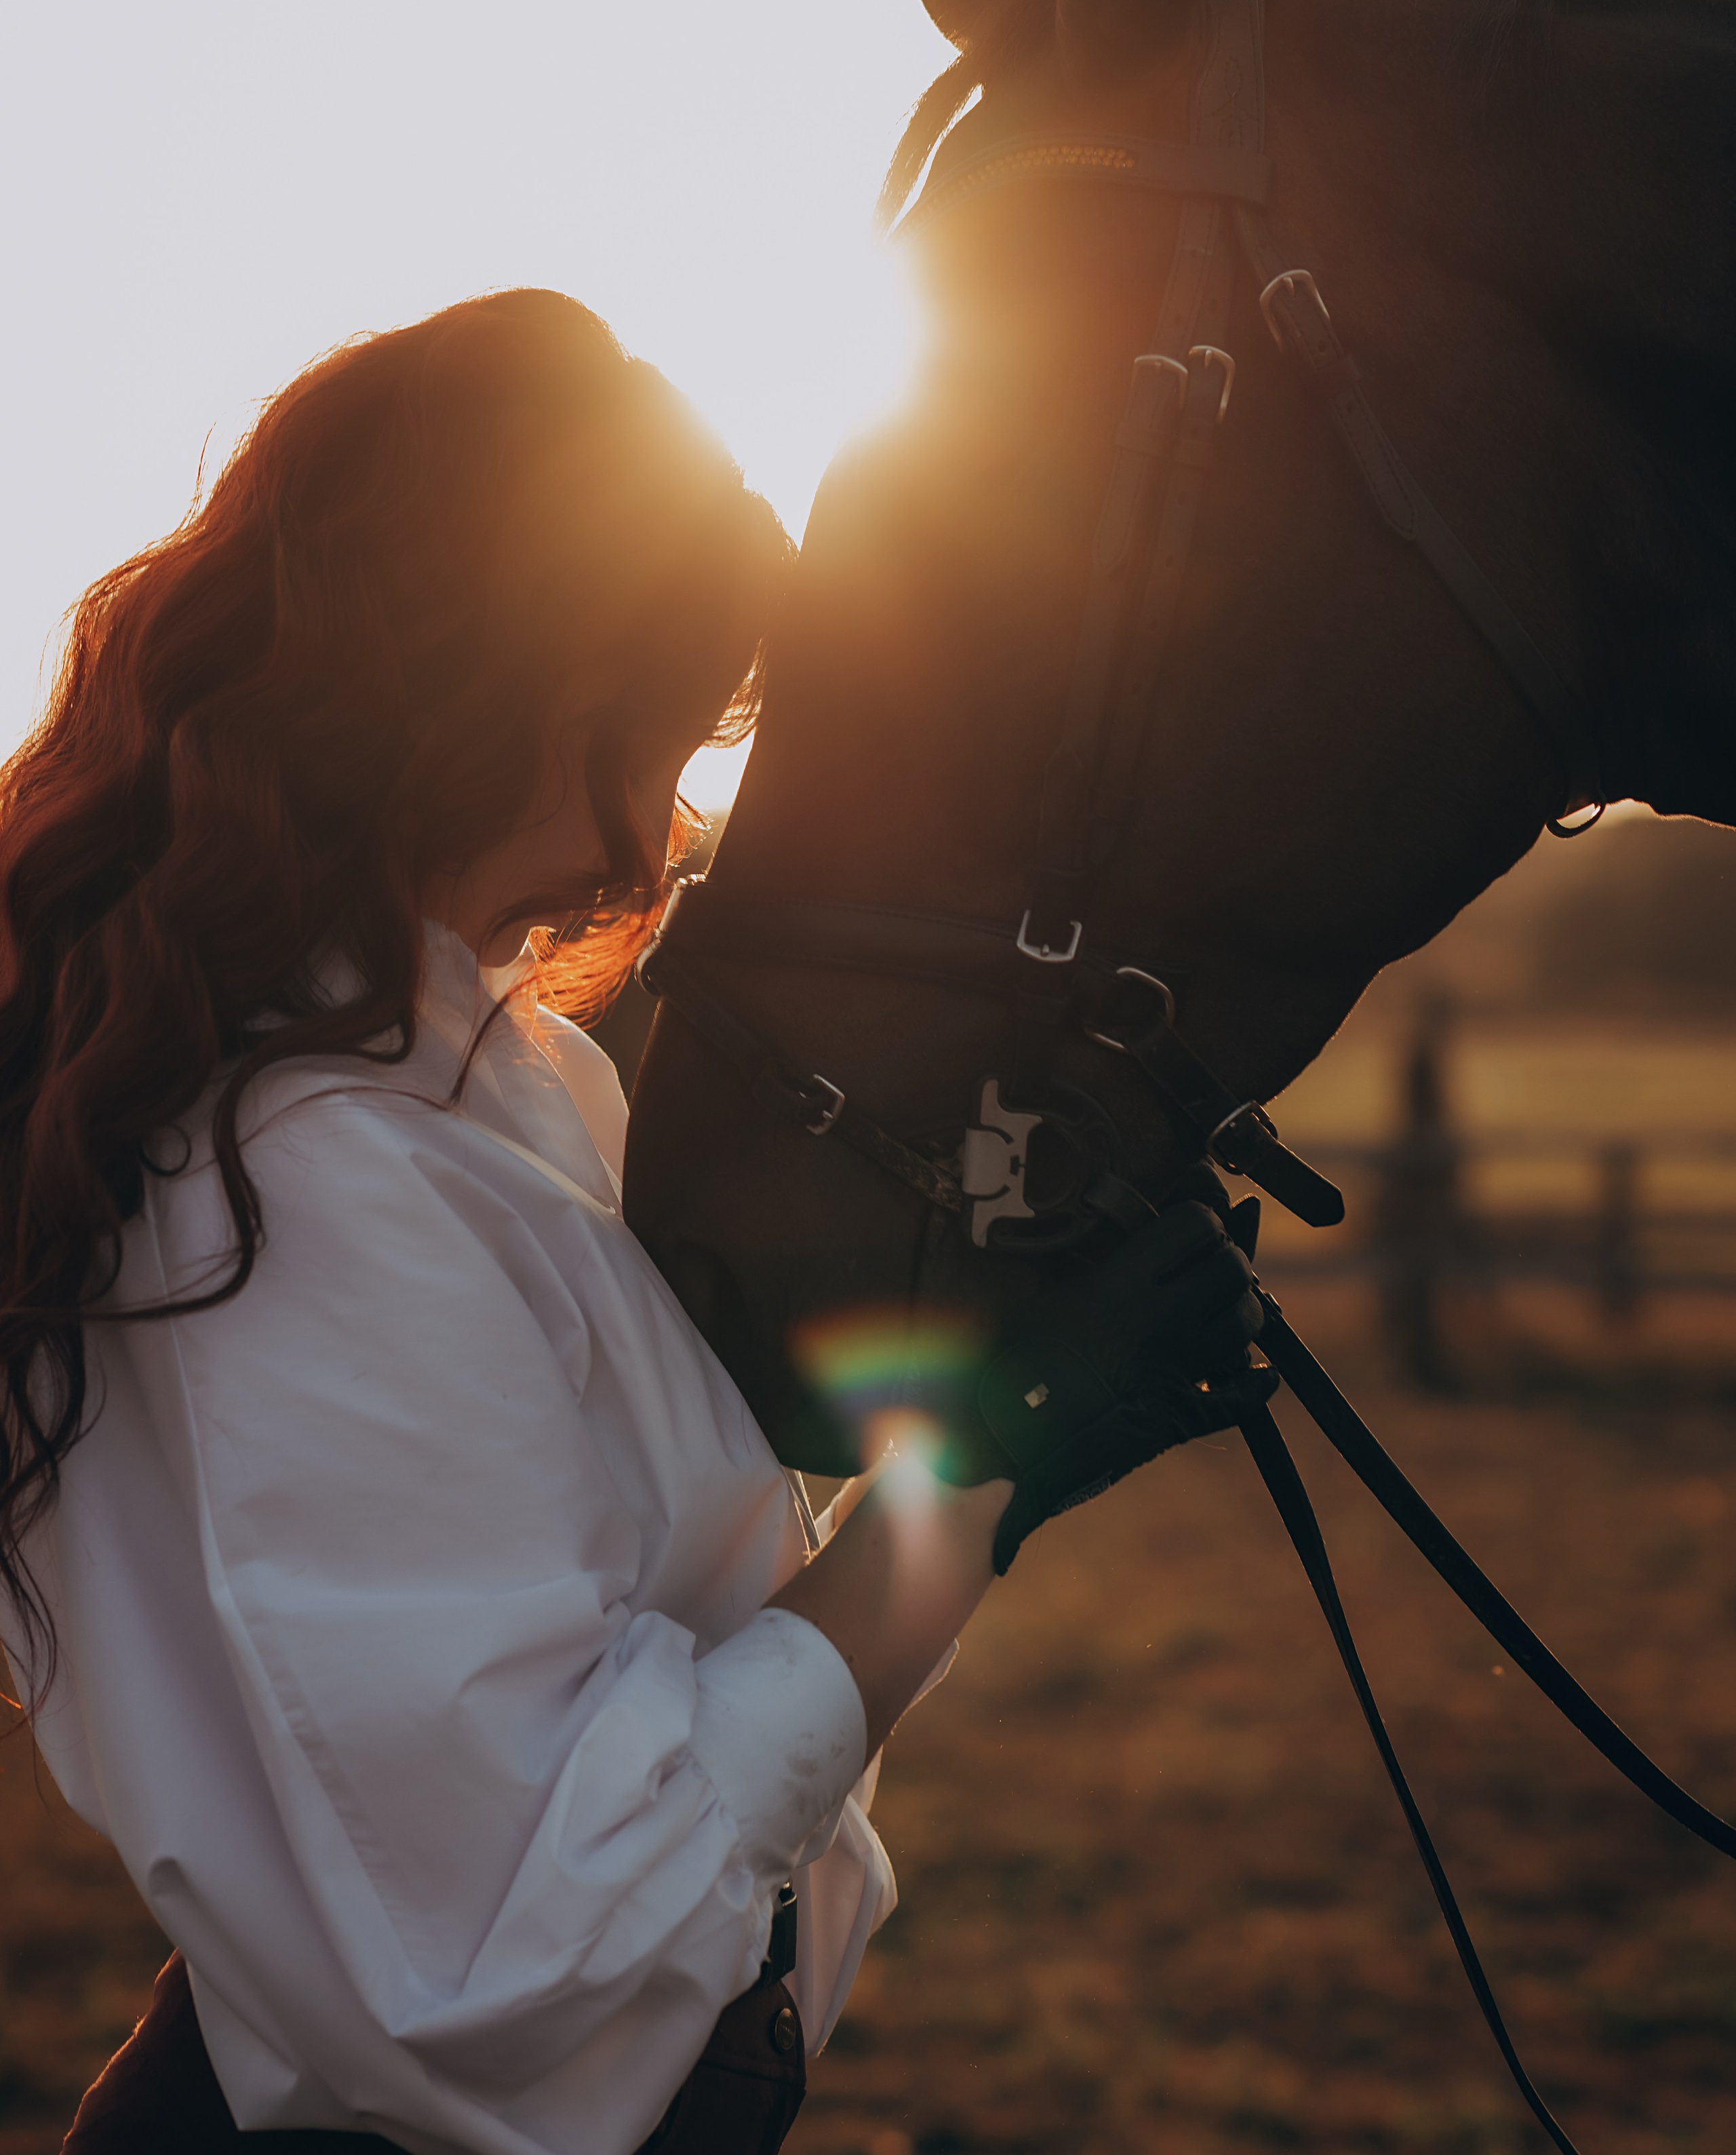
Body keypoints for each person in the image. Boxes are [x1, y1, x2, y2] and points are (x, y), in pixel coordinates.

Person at [0, 288, 1265, 2155]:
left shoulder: (496, 1078)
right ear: (518, 694)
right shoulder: (307, 1171)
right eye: (666, 741)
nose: (661, 835)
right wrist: (981, 1482)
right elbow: (540, 1937)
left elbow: (656, 1645)